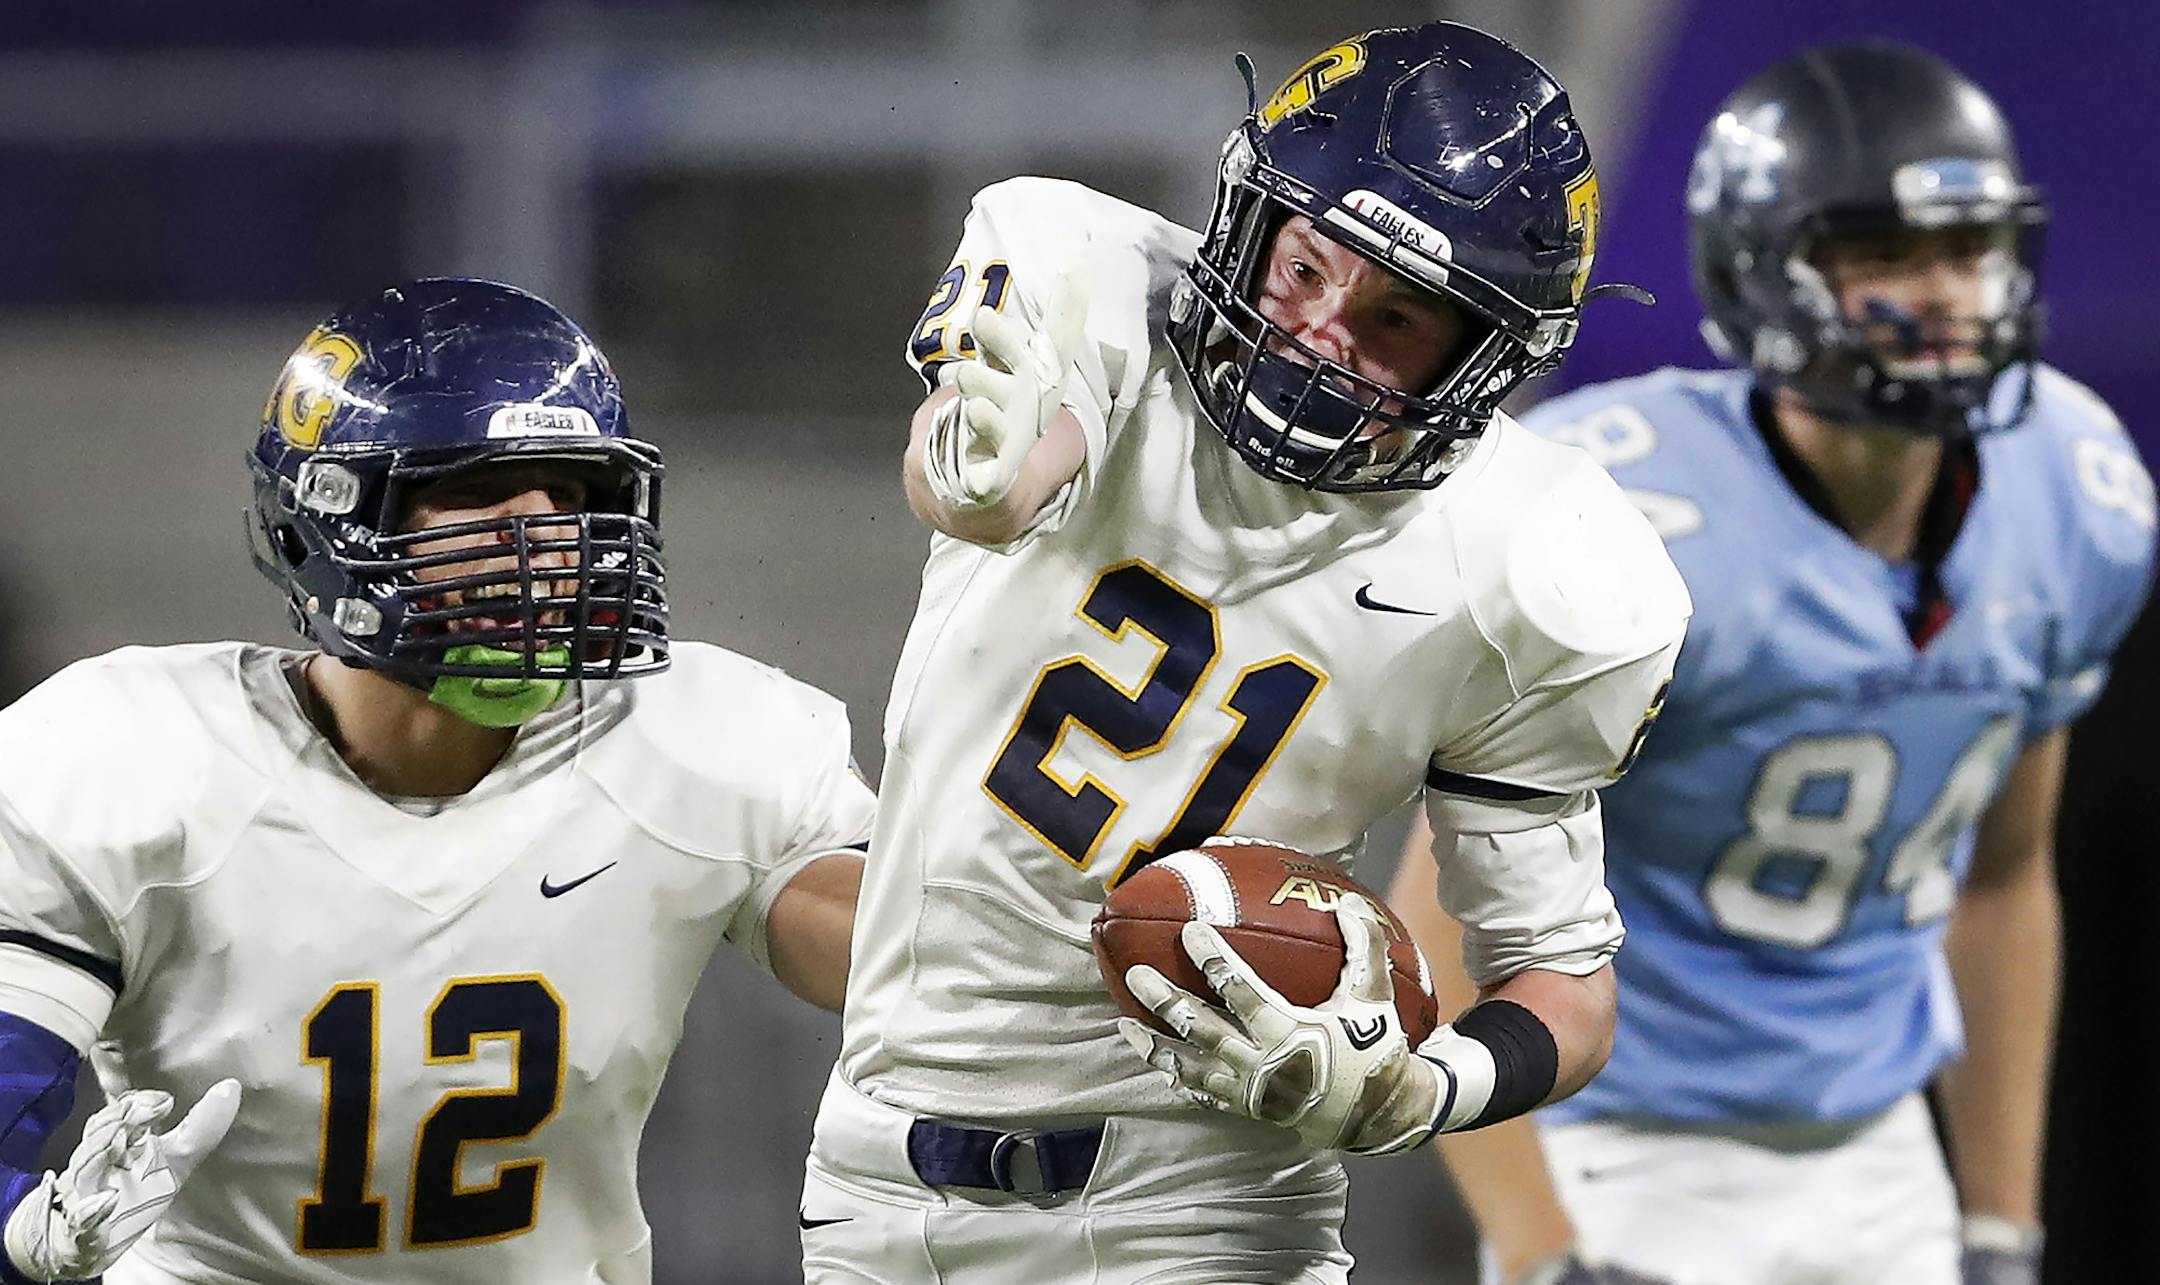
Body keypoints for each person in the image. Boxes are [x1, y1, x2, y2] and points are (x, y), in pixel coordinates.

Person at [798, 22, 1690, 1283]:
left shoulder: (1527, 563)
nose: (1323, 331)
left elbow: (1563, 985)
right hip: (874, 1169)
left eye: (1394, 318)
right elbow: (997, 475)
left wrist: (1415, 1089)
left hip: (1204, 1195)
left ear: (1486, 361)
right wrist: (970, 467)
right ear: (1247, 217)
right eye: (1306, 266)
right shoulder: (1086, 276)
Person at [1387, 41, 2156, 1285]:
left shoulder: (2072, 487)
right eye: (1885, 256)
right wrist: (1544, 1247)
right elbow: (1440, 923)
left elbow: (2004, 881)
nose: (1947, 295)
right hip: (1618, 1147)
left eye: (1969, 250)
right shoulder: (1627, 518)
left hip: (1882, 1149)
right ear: (1762, 270)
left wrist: (2004, 1227)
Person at [0, 278, 874, 1284]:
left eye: (570, 490)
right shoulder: (132, 755)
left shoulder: (693, 740)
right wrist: (22, 1233)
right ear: (326, 518)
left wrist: (1038, 931)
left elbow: (888, 949)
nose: (542, 532)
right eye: (477, 487)